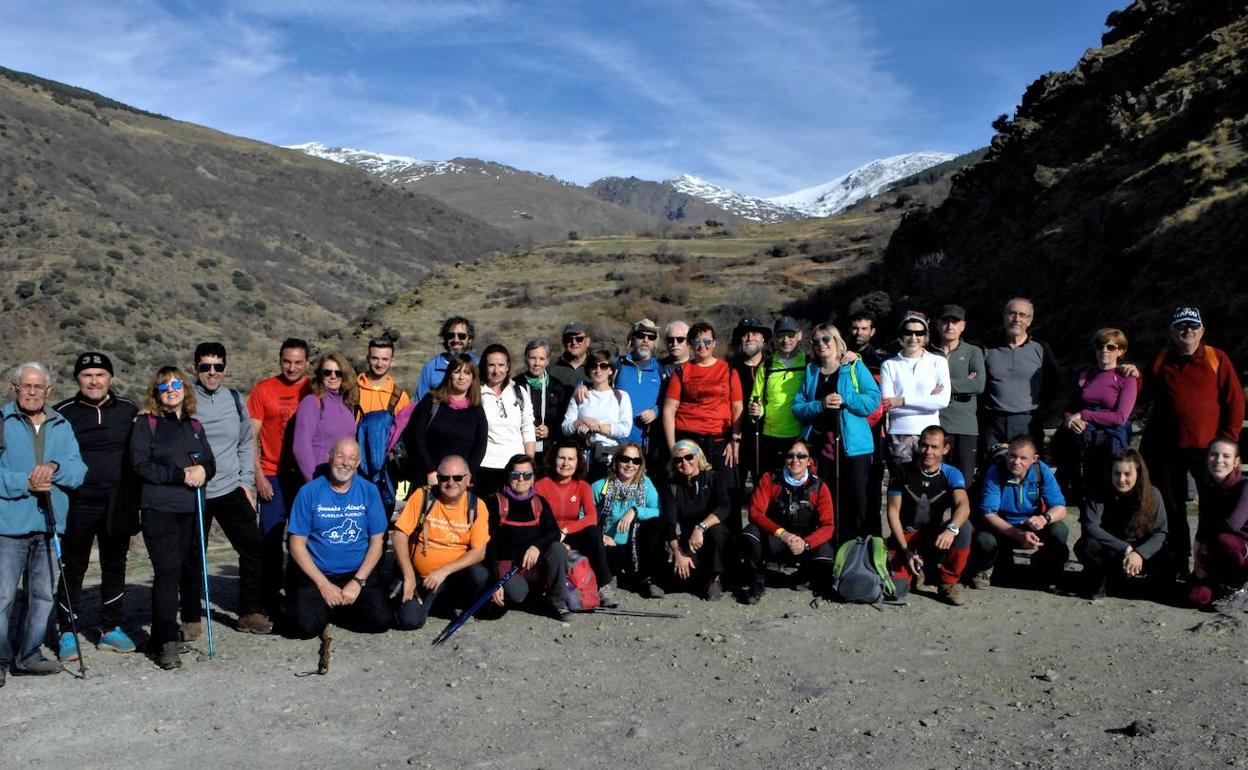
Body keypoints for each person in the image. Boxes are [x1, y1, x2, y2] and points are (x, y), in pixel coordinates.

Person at [1140, 306, 1244, 579]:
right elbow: (1140, 392)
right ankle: (1176, 561)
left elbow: (1235, 400)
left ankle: (1210, 561)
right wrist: (1126, 372)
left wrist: (1228, 441)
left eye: (1192, 326)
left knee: (1212, 506)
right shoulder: (1161, 359)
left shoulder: (1216, 358)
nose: (1187, 331)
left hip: (1206, 449)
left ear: (1202, 331)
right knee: (1171, 507)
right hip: (1165, 447)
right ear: (1171, 331)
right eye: (1181, 326)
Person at [1, 363, 86, 682]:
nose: (32, 392)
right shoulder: (1, 421)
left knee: (42, 596)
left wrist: (54, 467)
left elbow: (79, 471)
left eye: (39, 387)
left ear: (49, 391)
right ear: (15, 387)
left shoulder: (61, 425)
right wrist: (26, 482)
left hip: (50, 523)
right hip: (8, 525)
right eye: (26, 386)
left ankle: (29, 655)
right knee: (3, 596)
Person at [52, 352, 139, 660]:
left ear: (110, 378)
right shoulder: (62, 412)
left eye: (100, 375)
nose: (94, 380)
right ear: (77, 379)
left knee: (115, 564)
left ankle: (110, 628)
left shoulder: (129, 410)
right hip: (77, 502)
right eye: (87, 375)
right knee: (73, 567)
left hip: (118, 501)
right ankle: (67, 631)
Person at [130, 366, 216, 670]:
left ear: (185, 389)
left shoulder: (194, 426)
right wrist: (180, 476)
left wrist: (204, 471)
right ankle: (166, 640)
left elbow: (209, 462)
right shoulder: (146, 425)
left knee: (185, 570)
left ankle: (162, 632)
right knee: (166, 573)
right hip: (159, 510)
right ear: (156, 392)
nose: (171, 389)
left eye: (177, 383)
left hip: (192, 510)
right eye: (164, 385)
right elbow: (140, 465)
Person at [184, 342, 271, 635]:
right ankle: (191, 617)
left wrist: (246, 481)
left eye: (218, 366)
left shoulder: (234, 399)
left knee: (252, 547)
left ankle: (249, 611)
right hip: (195, 490)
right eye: (205, 367)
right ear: (194, 367)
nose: (212, 372)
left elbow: (246, 441)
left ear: (225, 368)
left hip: (230, 487)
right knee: (194, 553)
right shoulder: (184, 398)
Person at [284, 438, 390, 638]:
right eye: (340, 455)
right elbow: (296, 544)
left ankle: (334, 609)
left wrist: (358, 582)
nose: (345, 462)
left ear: (357, 463)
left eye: (351, 458)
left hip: (356, 573)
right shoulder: (309, 492)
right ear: (329, 457)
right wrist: (323, 585)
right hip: (318, 573)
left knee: (381, 621)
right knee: (305, 628)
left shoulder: (369, 491)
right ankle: (321, 606)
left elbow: (377, 542)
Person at [792, 323, 881, 542]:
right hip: (822, 447)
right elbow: (798, 408)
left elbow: (873, 400)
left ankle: (858, 552)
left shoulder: (853, 366)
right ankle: (827, 548)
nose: (821, 345)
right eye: (816, 341)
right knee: (825, 500)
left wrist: (847, 399)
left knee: (857, 501)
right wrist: (820, 404)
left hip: (853, 446)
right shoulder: (811, 371)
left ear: (836, 340)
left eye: (826, 339)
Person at [247, 337, 311, 618]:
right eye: (287, 361)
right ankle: (269, 598)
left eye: (298, 362)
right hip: (272, 474)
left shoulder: (314, 389)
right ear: (279, 360)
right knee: (270, 538)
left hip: (304, 476)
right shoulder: (263, 389)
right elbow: (251, 435)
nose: (292, 367)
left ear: (307, 363)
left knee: (303, 538)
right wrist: (258, 475)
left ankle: (300, 594)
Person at [391, 455, 491, 630]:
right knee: (409, 621)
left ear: (468, 479)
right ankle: (431, 602)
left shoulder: (477, 505)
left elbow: (479, 552)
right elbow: (399, 535)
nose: (451, 482)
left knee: (480, 574)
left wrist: (444, 571)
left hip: (455, 577)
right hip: (422, 578)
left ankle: (452, 602)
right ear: (437, 478)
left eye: (458, 478)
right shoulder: (423, 496)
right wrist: (408, 576)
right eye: (444, 478)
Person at [885, 426, 973, 606]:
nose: (928, 451)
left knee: (964, 527)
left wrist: (951, 529)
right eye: (924, 445)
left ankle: (948, 582)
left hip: (935, 537)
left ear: (945, 449)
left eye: (935, 447)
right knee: (896, 591)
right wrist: (905, 550)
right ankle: (920, 570)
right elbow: (892, 512)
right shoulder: (902, 471)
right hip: (906, 538)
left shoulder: (951, 474)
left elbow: (963, 506)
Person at [740, 439, 836, 604]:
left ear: (809, 460)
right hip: (776, 538)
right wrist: (781, 533)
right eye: (790, 455)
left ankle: (804, 576)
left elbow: (828, 525)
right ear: (784, 458)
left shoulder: (820, 486)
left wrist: (806, 543)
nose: (795, 460)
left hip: (803, 542)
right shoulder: (770, 478)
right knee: (750, 532)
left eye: (801, 456)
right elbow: (755, 513)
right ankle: (757, 582)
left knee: (826, 554)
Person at [1052, 328, 1138, 508]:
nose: (1104, 350)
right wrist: (1071, 420)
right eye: (1099, 346)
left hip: (1109, 441)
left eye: (1111, 347)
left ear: (1121, 351)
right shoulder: (1085, 375)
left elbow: (1120, 417)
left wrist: (1084, 415)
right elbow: (1069, 407)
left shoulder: (1127, 378)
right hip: (1082, 440)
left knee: (1106, 490)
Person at [971, 435, 1069, 591]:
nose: (1016, 462)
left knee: (1059, 530)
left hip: (1032, 524)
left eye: (1023, 458)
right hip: (1003, 526)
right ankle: (985, 568)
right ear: (1007, 454)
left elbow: (1060, 507)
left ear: (1034, 459)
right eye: (1012, 456)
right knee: (984, 539)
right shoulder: (996, 471)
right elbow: (988, 514)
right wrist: (1018, 534)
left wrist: (1045, 518)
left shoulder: (1041, 471)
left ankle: (1048, 569)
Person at [1075, 448, 1168, 600]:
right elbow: (1091, 526)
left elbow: (1161, 532)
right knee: (1088, 544)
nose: (1121, 479)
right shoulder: (1098, 491)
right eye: (1117, 473)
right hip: (1111, 548)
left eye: (1127, 474)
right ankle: (1100, 580)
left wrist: (1139, 553)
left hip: (1140, 549)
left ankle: (1149, 582)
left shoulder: (1153, 494)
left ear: (1138, 474)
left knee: (1169, 553)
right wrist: (1124, 548)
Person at [485, 454, 570, 618]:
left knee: (558, 548)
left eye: (527, 475)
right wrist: (494, 581)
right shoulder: (496, 502)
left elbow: (553, 532)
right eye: (516, 475)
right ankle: (519, 599)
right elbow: (488, 545)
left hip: (535, 566)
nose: (521, 479)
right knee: (519, 594)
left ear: (533, 479)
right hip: (508, 568)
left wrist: (536, 546)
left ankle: (557, 603)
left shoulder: (539, 502)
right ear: (508, 476)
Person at [535, 439, 618, 607]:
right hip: (548, 534)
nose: (566, 463)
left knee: (594, 533)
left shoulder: (582, 486)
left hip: (569, 532)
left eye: (571, 459)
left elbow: (591, 518)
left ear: (578, 462)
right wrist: (558, 536)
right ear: (553, 460)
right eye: (561, 458)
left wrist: (566, 530)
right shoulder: (541, 486)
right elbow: (538, 520)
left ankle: (603, 585)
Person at [661, 321, 744, 478]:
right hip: (688, 440)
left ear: (714, 343)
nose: (702, 345)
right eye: (696, 342)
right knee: (690, 489)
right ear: (690, 345)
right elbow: (668, 410)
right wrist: (673, 448)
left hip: (720, 440)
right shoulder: (681, 371)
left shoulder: (729, 370)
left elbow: (737, 408)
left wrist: (735, 441)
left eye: (707, 341)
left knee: (725, 490)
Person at [979, 298, 1061, 454]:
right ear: (1004, 316)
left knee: (1029, 472)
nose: (1017, 319)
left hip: (1028, 422)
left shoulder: (1041, 348)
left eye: (1022, 315)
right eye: (1012, 314)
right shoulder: (986, 348)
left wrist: (1041, 410)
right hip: (992, 423)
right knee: (991, 471)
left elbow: (1054, 383)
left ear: (1029, 320)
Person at [400, 354, 488, 486]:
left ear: (473, 378)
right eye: (457, 372)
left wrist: (467, 474)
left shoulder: (476, 409)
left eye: (467, 373)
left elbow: (480, 446)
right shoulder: (432, 401)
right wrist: (429, 471)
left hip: (461, 482)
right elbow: (415, 436)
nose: (461, 377)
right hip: (430, 478)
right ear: (449, 375)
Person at [880, 312, 951, 471]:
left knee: (928, 485)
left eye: (919, 333)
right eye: (908, 332)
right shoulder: (889, 365)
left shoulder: (938, 362)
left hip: (930, 434)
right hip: (899, 433)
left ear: (925, 336)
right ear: (901, 335)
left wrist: (903, 400)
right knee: (899, 484)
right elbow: (889, 404)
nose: (913, 337)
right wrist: (927, 401)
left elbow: (942, 401)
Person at [591, 443, 664, 598]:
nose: (630, 464)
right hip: (609, 542)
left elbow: (657, 510)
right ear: (616, 461)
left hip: (635, 542)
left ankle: (648, 578)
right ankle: (608, 579)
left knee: (654, 525)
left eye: (636, 461)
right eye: (625, 459)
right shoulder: (600, 486)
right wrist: (599, 536)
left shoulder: (646, 484)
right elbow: (584, 515)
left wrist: (635, 510)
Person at [662, 439, 732, 600]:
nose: (684, 462)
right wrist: (678, 552)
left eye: (689, 457)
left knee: (717, 531)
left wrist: (700, 528)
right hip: (688, 541)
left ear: (698, 456)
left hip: (712, 537)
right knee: (679, 580)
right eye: (678, 460)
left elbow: (724, 507)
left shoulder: (714, 478)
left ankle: (715, 578)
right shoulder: (672, 486)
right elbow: (669, 521)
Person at [1188, 439, 1248, 612]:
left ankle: (1239, 588)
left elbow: (1232, 525)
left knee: (1224, 540)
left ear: (1236, 461)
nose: (1219, 460)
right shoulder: (1208, 488)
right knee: (1197, 597)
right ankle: (1224, 587)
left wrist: (1206, 548)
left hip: (1241, 553)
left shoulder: (1245, 486)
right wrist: (1199, 561)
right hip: (1219, 553)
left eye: (1226, 456)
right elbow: (1203, 526)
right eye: (1214, 454)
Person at [931, 305, 985, 485]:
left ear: (963, 326)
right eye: (945, 321)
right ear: (938, 325)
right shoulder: (927, 353)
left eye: (955, 322)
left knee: (963, 483)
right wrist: (963, 383)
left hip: (965, 427)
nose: (950, 326)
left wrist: (943, 386)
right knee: (935, 483)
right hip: (935, 425)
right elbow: (922, 386)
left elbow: (978, 384)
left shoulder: (973, 352)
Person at [747, 316, 809, 474]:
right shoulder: (766, 366)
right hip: (770, 436)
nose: (786, 339)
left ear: (799, 335)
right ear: (774, 337)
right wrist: (756, 410)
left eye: (790, 334)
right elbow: (756, 399)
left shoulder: (809, 363)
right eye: (781, 335)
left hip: (800, 436)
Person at [562, 350, 632, 481]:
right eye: (594, 366)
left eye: (603, 366)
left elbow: (625, 429)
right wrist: (581, 422)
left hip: (611, 455)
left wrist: (597, 427)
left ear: (610, 370)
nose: (598, 370)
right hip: (584, 455)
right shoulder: (580, 394)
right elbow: (565, 427)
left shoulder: (621, 396)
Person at [846, 309, 887, 529]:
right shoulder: (839, 357)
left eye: (864, 328)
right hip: (846, 432)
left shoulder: (882, 362)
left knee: (872, 488)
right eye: (855, 328)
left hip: (874, 435)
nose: (859, 332)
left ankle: (874, 539)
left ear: (872, 332)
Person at [478, 344, 535, 497]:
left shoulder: (519, 392)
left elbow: (528, 429)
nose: (496, 371)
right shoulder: (476, 393)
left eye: (501, 365)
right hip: (484, 467)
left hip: (516, 471)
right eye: (491, 365)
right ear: (484, 367)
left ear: (508, 367)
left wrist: (528, 465)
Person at [729, 317, 771, 526]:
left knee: (764, 497)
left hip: (768, 439)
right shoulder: (730, 369)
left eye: (755, 333)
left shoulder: (774, 367)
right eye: (745, 333)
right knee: (733, 495)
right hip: (736, 441)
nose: (749, 337)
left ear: (763, 339)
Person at [293, 352, 359, 483]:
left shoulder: (347, 405)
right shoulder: (312, 402)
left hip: (346, 483)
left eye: (338, 373)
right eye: (327, 372)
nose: (333, 376)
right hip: (320, 480)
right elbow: (301, 447)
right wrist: (314, 483)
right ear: (320, 375)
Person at [516, 339, 568, 471]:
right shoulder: (514, 385)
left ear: (547, 361)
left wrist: (550, 429)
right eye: (532, 358)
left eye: (541, 358)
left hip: (549, 451)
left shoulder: (557, 387)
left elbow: (564, 418)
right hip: (521, 448)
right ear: (526, 359)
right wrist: (526, 429)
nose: (537, 363)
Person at [615, 319, 665, 451]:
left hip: (647, 443)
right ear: (632, 338)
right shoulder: (617, 365)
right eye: (641, 335)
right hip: (617, 441)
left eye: (651, 337)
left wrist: (655, 412)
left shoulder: (661, 371)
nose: (645, 340)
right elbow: (596, 382)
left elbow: (669, 402)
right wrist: (582, 386)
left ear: (655, 343)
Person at [415, 316, 478, 401]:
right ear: (445, 338)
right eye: (451, 335)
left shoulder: (478, 365)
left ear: (469, 339)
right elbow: (420, 404)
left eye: (461, 336)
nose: (456, 340)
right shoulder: (431, 368)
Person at [356, 337, 410, 416]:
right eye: (375, 358)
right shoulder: (352, 392)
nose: (379, 364)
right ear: (368, 359)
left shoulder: (401, 397)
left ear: (391, 361)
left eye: (385, 359)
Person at [549, 322, 593, 392]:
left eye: (579, 339)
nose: (574, 342)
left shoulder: (598, 367)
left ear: (587, 341)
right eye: (568, 339)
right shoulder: (550, 367)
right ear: (563, 342)